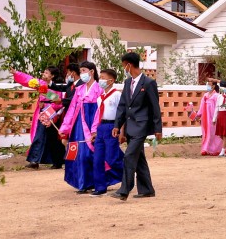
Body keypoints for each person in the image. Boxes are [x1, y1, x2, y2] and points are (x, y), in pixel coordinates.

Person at [111, 52, 162, 201]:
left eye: (123, 65)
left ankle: (124, 190)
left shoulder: (148, 83)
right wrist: (117, 125)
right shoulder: (128, 83)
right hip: (130, 125)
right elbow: (122, 106)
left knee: (129, 156)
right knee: (139, 159)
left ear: (129, 65)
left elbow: (155, 106)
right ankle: (147, 189)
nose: (123, 68)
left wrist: (158, 128)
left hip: (142, 125)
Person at [59, 61, 102, 193]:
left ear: (92, 71)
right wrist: (65, 128)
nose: (82, 73)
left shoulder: (99, 89)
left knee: (92, 153)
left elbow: (101, 110)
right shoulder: (79, 90)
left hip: (93, 123)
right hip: (79, 125)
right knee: (78, 153)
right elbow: (72, 109)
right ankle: (81, 182)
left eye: (84, 70)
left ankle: (95, 181)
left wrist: (95, 128)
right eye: (81, 70)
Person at [10, 66, 65, 170]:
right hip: (42, 113)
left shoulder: (57, 86)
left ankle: (56, 161)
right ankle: (35, 160)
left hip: (52, 112)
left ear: (52, 76)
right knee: (40, 135)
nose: (44, 74)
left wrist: (46, 104)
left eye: (46, 73)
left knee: (52, 138)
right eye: (44, 72)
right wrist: (16, 73)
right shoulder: (41, 84)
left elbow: (58, 101)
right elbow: (29, 80)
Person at [89, 68, 125, 196]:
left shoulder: (117, 95)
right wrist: (95, 131)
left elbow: (122, 114)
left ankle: (128, 175)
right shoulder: (100, 97)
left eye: (103, 77)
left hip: (112, 126)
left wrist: (122, 131)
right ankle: (100, 187)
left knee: (112, 158)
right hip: (101, 127)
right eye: (101, 77)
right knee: (98, 159)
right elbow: (98, 114)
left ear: (111, 80)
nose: (101, 80)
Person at [192, 82, 223, 156]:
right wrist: (198, 115)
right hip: (206, 118)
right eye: (207, 84)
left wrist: (217, 117)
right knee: (206, 133)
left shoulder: (217, 96)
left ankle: (216, 149)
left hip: (214, 117)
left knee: (214, 133)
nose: (208, 86)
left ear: (213, 86)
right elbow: (201, 107)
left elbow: (218, 107)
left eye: (209, 84)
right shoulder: (205, 96)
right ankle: (205, 149)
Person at [214, 81, 226, 156]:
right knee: (220, 134)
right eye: (225, 87)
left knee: (225, 134)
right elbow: (216, 107)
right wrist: (214, 118)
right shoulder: (220, 96)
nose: (225, 88)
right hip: (220, 115)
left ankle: (223, 150)